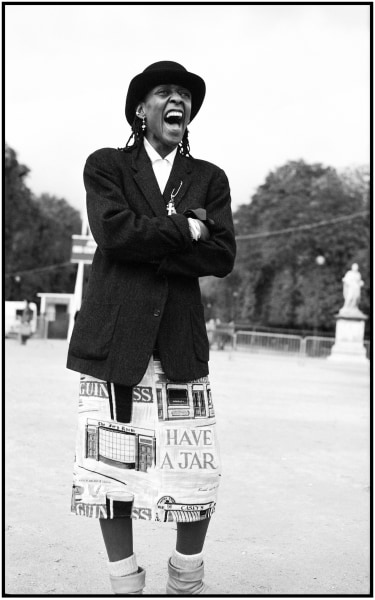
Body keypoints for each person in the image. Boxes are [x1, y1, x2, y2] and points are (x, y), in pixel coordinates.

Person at [67, 60, 236, 595]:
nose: (177, 100)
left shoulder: (209, 178)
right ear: (141, 109)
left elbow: (223, 254)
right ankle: (124, 582)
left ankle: (186, 578)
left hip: (180, 341)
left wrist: (156, 245)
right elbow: (113, 233)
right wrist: (187, 228)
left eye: (185, 95)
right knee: (109, 469)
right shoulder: (106, 166)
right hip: (113, 339)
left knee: (194, 468)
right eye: (165, 92)